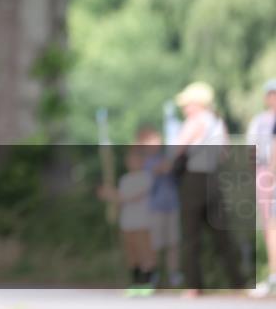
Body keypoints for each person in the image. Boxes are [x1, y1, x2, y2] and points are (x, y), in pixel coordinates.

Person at [163, 81, 246, 297]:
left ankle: (194, 285)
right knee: (222, 234)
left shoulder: (195, 121)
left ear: (198, 103)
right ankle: (237, 282)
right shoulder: (218, 122)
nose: (185, 108)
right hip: (214, 178)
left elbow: (177, 148)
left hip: (194, 179)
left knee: (190, 235)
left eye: (187, 104)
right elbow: (225, 152)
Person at [98, 145, 156, 296]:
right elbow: (120, 201)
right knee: (132, 255)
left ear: (143, 161)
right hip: (127, 223)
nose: (133, 162)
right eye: (130, 159)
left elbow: (131, 197)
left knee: (145, 253)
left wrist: (111, 194)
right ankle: (135, 283)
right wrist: (110, 200)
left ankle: (147, 283)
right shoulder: (124, 179)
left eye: (136, 159)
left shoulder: (146, 177)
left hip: (142, 223)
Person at [136, 126, 182, 288]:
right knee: (155, 244)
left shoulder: (165, 157)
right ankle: (153, 275)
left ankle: (173, 274)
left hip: (172, 205)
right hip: (154, 207)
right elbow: (159, 170)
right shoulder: (144, 162)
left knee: (173, 243)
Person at [246, 78, 276, 298]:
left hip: (270, 171)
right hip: (264, 171)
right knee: (270, 226)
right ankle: (273, 276)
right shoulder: (260, 121)